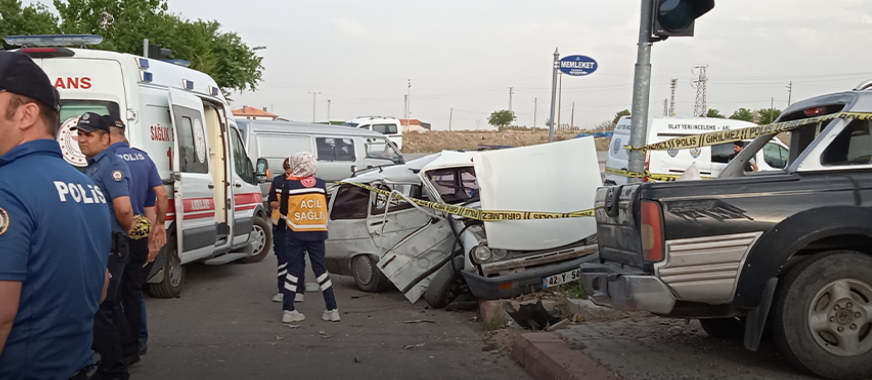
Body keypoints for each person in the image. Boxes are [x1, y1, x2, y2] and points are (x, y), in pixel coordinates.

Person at [0, 51, 110, 379]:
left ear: (26, 114)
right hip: (73, 364)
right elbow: (101, 287)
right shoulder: (87, 185)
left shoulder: (7, 187)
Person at [74, 111, 136, 380]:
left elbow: (124, 210)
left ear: (105, 138)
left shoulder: (111, 165)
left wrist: (119, 237)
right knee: (110, 305)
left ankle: (113, 369)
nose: (81, 140)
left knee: (102, 307)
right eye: (79, 134)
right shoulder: (94, 164)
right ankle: (128, 349)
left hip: (111, 245)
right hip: (105, 245)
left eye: (88, 135)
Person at [107, 117, 168, 367]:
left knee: (110, 293)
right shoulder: (144, 158)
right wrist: (158, 229)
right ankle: (139, 339)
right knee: (133, 289)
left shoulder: (107, 162)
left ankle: (118, 344)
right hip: (140, 234)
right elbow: (157, 197)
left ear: (107, 136)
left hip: (116, 234)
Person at [280, 152, 339, 323]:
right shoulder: (321, 184)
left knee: (293, 272)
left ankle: (289, 310)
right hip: (317, 233)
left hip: (295, 233)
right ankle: (332, 309)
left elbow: (283, 211)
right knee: (321, 271)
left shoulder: (288, 185)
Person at [268, 157, 305, 303]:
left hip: (298, 225)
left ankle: (299, 289)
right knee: (282, 257)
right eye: (288, 172)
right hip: (280, 225)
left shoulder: (302, 182)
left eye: (293, 172)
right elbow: (271, 202)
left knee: (298, 258)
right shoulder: (277, 181)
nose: (290, 176)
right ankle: (282, 290)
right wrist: (283, 204)